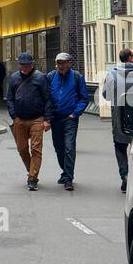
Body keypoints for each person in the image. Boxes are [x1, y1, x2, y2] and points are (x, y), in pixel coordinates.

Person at [6, 51, 55, 191]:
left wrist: (47, 119)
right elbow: (9, 98)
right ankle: (31, 170)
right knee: (22, 149)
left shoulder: (40, 78)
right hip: (19, 119)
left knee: (36, 149)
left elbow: (48, 99)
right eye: (22, 65)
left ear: (32, 64)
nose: (24, 68)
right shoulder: (14, 78)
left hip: (37, 119)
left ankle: (32, 177)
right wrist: (14, 116)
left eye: (27, 65)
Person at [103, 47, 133, 193]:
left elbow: (106, 95)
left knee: (120, 147)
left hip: (120, 118)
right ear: (130, 58)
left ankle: (125, 175)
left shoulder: (111, 74)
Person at [46, 52, 90, 192]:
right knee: (59, 147)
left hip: (70, 118)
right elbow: (46, 97)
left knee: (69, 147)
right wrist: (47, 116)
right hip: (55, 118)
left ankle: (68, 178)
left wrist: (75, 113)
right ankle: (65, 171)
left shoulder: (77, 77)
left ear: (69, 63)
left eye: (63, 63)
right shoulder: (50, 77)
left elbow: (84, 98)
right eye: (58, 63)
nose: (60, 66)